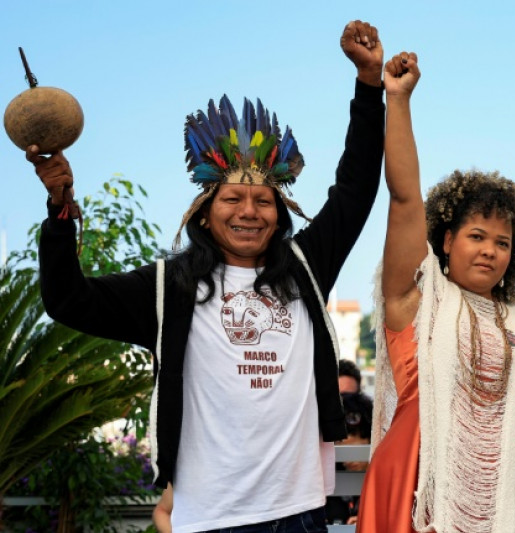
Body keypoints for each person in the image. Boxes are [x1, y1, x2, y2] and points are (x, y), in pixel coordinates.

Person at [30, 20, 385, 533]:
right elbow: (67, 299)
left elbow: (355, 188)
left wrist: (368, 84)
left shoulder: (305, 268)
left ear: (279, 214)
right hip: (208, 518)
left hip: (300, 512)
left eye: (264, 200)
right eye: (232, 198)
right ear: (204, 212)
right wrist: (60, 211)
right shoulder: (167, 288)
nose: (249, 211)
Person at [356, 51, 515, 533]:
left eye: (503, 242)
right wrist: (398, 99)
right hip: (418, 489)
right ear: (446, 240)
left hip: (513, 497)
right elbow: (404, 198)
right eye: (476, 236)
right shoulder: (419, 299)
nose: (490, 250)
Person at [326, 391, 374, 526]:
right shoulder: (330, 480)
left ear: (369, 439)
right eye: (340, 448)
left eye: (354, 448)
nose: (348, 460)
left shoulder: (383, 480)